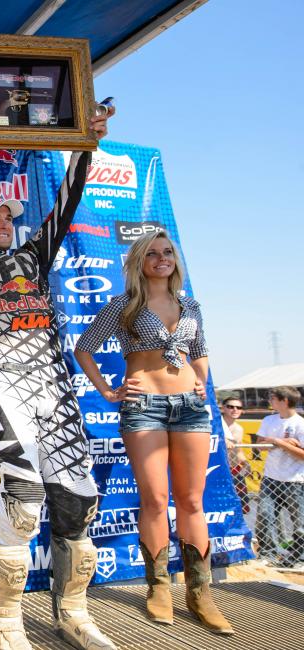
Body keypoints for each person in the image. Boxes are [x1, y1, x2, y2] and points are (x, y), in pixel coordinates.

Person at [0, 91, 115, 650]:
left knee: (78, 502)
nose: (3, 222)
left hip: (56, 393)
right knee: (22, 502)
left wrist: (86, 143)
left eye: (7, 217)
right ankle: (6, 620)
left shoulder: (33, 258)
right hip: (7, 394)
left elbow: (66, 201)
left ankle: (74, 612)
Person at [74, 230, 233, 634]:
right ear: (139, 262)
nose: (162, 258)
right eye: (153, 253)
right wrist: (109, 390)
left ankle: (201, 595)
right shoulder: (125, 305)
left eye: (168, 252)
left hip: (191, 410)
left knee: (192, 501)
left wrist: (200, 381)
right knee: (156, 500)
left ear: (175, 261)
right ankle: (159, 589)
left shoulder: (191, 305)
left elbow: (200, 350)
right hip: (143, 409)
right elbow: (84, 347)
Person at [253, 386, 304, 568]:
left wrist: (277, 442)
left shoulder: (300, 424)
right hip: (271, 477)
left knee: (299, 522)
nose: (270, 401)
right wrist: (281, 442)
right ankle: (268, 553)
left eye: (273, 398)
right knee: (266, 516)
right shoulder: (269, 420)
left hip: (296, 480)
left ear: (285, 401)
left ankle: (299, 558)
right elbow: (259, 445)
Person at [220, 397, 250, 514]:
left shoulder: (239, 428)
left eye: (238, 407)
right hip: (218, 470)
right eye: (231, 407)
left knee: (241, 507)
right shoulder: (215, 425)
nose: (235, 410)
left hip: (234, 469)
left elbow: (238, 450)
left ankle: (238, 531)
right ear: (223, 408)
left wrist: (245, 463)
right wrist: (222, 440)